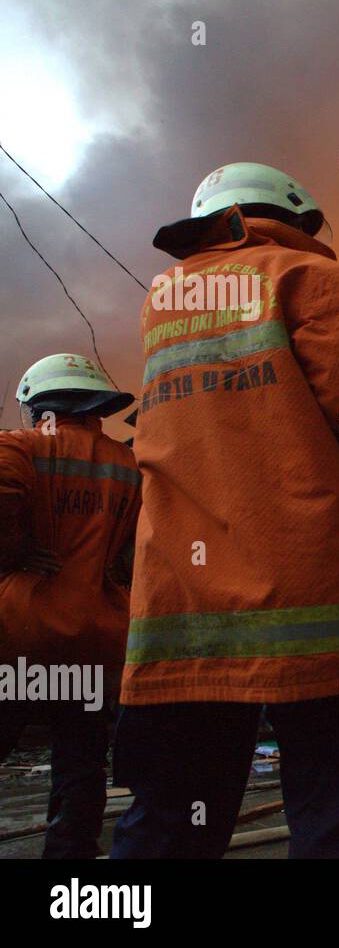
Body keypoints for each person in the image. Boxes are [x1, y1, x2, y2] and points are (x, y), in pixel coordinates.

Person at [110, 162, 339, 859]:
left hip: (180, 606)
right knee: (335, 804)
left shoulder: (164, 299)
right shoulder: (317, 280)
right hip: (305, 603)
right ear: (296, 216)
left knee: (171, 814)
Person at [0, 354, 140, 858]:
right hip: (95, 645)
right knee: (81, 767)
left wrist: (13, 551)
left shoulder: (19, 447)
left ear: (37, 405)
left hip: (19, 639)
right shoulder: (130, 466)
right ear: (96, 408)